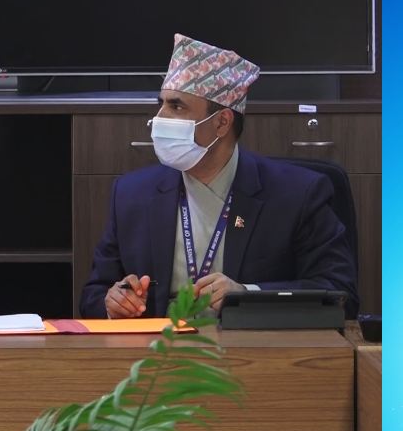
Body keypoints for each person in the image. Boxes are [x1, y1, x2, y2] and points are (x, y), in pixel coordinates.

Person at [80, 34, 357, 319]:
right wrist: (113, 303)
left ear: (222, 122)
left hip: (251, 344)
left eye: (176, 107)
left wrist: (247, 296)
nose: (159, 118)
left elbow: (340, 295)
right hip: (159, 343)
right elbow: (92, 297)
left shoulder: (298, 194)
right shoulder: (131, 194)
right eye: (160, 104)